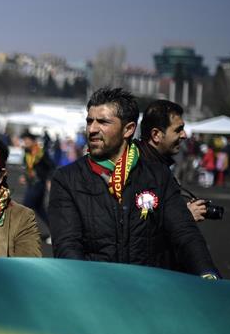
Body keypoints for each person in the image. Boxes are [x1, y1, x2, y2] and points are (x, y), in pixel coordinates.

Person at [47, 87, 219, 278]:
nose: (92, 129)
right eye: (89, 121)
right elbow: (67, 246)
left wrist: (207, 272)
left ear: (128, 129)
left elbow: (185, 233)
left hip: (147, 291)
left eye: (103, 122)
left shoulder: (158, 175)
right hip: (96, 291)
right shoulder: (67, 179)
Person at [137, 100, 207, 223]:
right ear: (156, 135)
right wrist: (185, 215)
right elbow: (142, 222)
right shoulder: (141, 168)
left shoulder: (155, 164)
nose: (184, 135)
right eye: (178, 130)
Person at [19, 132, 54, 236]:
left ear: (33, 141)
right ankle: (56, 230)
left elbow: (52, 167)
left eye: (27, 140)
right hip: (31, 184)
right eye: (24, 140)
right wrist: (24, 177)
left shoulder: (41, 152)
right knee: (40, 209)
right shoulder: (26, 153)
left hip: (39, 184)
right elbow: (28, 168)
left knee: (26, 207)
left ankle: (23, 233)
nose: (25, 142)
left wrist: (49, 179)